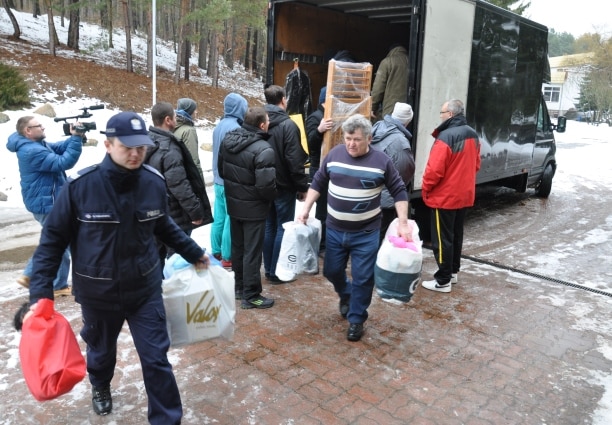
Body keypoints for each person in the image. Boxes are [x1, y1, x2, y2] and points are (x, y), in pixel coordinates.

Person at [24, 111, 210, 423]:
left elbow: (163, 225)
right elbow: (52, 242)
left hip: (144, 289)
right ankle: (100, 385)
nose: (136, 153)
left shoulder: (153, 183)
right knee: (101, 353)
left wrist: (193, 252)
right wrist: (40, 293)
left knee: (156, 359)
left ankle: (167, 419)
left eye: (142, 147)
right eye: (128, 147)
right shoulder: (80, 187)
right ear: (108, 145)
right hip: (98, 293)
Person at [297, 114, 412, 342]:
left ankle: (357, 319)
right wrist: (306, 208)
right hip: (335, 230)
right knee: (331, 270)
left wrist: (403, 222)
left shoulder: (381, 161)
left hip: (366, 233)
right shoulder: (335, 155)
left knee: (363, 277)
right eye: (348, 138)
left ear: (368, 139)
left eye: (357, 139)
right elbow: (319, 181)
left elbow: (399, 191)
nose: (351, 143)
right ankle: (346, 294)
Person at [6, 115, 84, 297]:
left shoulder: (34, 144)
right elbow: (63, 162)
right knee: (57, 241)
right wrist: (76, 139)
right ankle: (48, 281)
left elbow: (57, 148)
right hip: (46, 202)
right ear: (28, 131)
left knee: (59, 240)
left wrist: (74, 137)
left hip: (47, 200)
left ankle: (51, 281)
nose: (43, 128)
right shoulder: (32, 151)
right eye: (38, 126)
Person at [218, 106, 277, 309]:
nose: (269, 124)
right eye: (268, 121)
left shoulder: (228, 140)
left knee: (239, 248)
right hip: (254, 208)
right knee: (252, 251)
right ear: (261, 125)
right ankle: (251, 295)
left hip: (234, 204)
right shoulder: (264, 149)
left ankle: (239, 288)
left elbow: (221, 170)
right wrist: (269, 199)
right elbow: (266, 186)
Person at [421, 99, 481, 293]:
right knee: (456, 235)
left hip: (444, 197)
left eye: (442, 112)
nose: (440, 116)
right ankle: (453, 272)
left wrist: (426, 189)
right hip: (464, 195)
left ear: (450, 114)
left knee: (442, 238)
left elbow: (434, 171)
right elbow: (476, 165)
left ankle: (443, 280)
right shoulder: (472, 134)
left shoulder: (446, 137)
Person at [145, 102, 213, 263]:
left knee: (157, 261)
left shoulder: (148, 142)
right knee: (176, 262)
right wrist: (196, 212)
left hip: (156, 211)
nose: (177, 119)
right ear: (168, 120)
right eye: (175, 117)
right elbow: (180, 185)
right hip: (175, 215)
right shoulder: (170, 149)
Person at [262, 85, 309, 283]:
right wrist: (302, 186)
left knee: (268, 226)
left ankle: (268, 270)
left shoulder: (259, 122)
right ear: (283, 100)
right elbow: (294, 161)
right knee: (283, 227)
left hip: (264, 185)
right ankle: (276, 272)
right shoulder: (289, 125)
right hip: (284, 187)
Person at [211, 93, 248, 269]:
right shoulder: (235, 128)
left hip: (218, 180)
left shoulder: (219, 126)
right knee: (229, 218)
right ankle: (227, 255)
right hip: (229, 181)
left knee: (218, 217)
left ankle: (216, 251)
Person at [370, 102, 416, 244]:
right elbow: (406, 170)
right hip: (386, 198)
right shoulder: (400, 142)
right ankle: (377, 265)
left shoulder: (377, 126)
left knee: (370, 234)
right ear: (408, 121)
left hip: (369, 193)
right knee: (382, 235)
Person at [305, 86, 333, 253]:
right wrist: (319, 130)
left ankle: (329, 243)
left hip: (332, 168)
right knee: (322, 209)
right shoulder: (315, 117)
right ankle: (321, 246)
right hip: (319, 168)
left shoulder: (331, 116)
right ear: (325, 100)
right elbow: (310, 144)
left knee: (332, 208)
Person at [370, 44, 409, 119]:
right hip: (409, 110)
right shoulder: (412, 62)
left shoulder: (387, 62)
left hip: (391, 109)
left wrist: (372, 107)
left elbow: (378, 88)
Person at [173, 97, 204, 178]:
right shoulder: (189, 131)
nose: (196, 112)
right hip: (189, 178)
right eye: (194, 110)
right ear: (189, 111)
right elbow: (194, 162)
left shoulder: (175, 127)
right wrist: (200, 184)